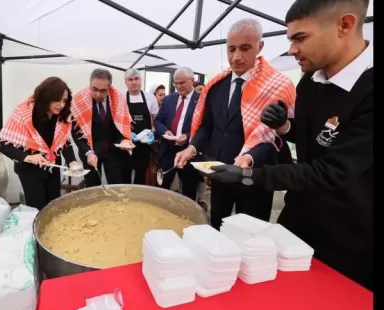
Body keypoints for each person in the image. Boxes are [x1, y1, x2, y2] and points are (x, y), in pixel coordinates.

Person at [209, 0, 373, 290]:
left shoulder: (369, 90)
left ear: (344, 25)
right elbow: (316, 139)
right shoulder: (310, 80)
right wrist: (285, 126)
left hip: (349, 238)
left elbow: (330, 170)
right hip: (296, 220)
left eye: (300, 38)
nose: (292, 49)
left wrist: (249, 175)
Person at [174, 18, 297, 227]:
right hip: (221, 173)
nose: (236, 57)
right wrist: (192, 147)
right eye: (231, 49)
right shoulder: (217, 85)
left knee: (251, 235)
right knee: (217, 227)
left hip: (255, 177)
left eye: (245, 48)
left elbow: (274, 136)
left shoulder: (276, 85)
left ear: (260, 46)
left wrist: (249, 157)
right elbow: (208, 126)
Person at [0, 77, 88, 210]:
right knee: (37, 208)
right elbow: (2, 144)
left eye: (64, 100)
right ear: (47, 97)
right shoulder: (24, 113)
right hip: (30, 170)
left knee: (53, 205)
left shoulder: (62, 115)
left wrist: (72, 161)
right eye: (57, 100)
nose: (61, 105)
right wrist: (27, 157)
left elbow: (64, 142)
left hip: (52, 166)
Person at [71, 68, 133, 186]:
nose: (98, 94)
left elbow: (120, 126)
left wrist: (123, 140)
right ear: (90, 85)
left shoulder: (118, 98)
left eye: (103, 91)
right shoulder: (79, 100)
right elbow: (76, 132)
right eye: (94, 89)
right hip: (90, 152)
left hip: (113, 152)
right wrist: (88, 152)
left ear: (109, 89)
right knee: (92, 188)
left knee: (116, 186)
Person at [154, 66, 202, 200]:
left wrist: (187, 136)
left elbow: (203, 127)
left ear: (192, 80)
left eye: (182, 83)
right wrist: (165, 131)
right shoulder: (169, 99)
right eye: (176, 83)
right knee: (162, 185)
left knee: (189, 189)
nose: (178, 86)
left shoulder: (201, 100)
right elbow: (158, 121)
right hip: (168, 150)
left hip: (188, 152)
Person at [123, 68, 160, 185]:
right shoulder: (121, 99)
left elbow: (156, 120)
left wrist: (152, 133)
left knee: (141, 175)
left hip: (144, 146)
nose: (134, 82)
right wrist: (126, 135)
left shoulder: (150, 98)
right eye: (130, 79)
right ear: (126, 82)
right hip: (127, 145)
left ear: (141, 80)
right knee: (125, 175)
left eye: (136, 79)